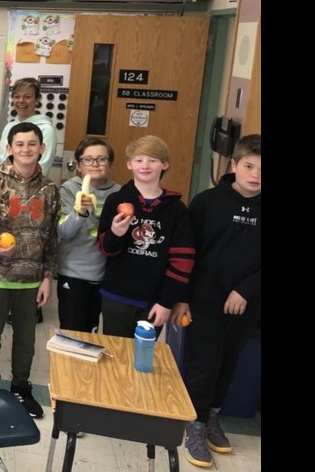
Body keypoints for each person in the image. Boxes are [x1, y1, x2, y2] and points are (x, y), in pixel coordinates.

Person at [174, 135, 261, 469]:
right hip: (204, 302)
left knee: (228, 365)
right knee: (203, 366)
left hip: (246, 305)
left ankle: (211, 418)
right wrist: (182, 298)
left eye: (261, 170)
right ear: (233, 166)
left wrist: (246, 290)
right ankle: (194, 425)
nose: (255, 175)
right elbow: (185, 255)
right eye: (249, 166)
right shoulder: (207, 203)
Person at [0, 122, 59, 418]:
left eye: (32, 144)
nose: (26, 149)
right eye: (19, 144)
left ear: (42, 148)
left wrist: (48, 277)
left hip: (31, 279)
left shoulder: (49, 189)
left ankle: (21, 388)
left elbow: (51, 236)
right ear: (9, 149)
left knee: (25, 341)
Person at [97, 135, 195, 339]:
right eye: (139, 160)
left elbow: (182, 261)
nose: (145, 165)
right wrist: (116, 233)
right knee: (115, 358)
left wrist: (167, 301)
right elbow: (106, 249)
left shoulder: (176, 209)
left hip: (155, 301)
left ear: (165, 164)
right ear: (129, 164)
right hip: (117, 295)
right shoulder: (115, 200)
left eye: (153, 160)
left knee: (142, 358)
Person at [56, 138, 121, 332]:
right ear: (78, 165)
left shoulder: (119, 192)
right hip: (73, 272)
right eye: (88, 159)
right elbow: (64, 232)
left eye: (101, 159)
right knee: (72, 333)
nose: (95, 164)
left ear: (110, 165)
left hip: (104, 275)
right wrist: (80, 213)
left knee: (92, 331)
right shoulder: (69, 189)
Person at [0, 78, 56, 177]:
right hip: (0, 188)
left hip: (28, 189)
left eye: (27, 97)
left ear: (37, 99)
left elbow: (41, 167)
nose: (21, 101)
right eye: (17, 96)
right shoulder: (9, 127)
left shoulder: (46, 130)